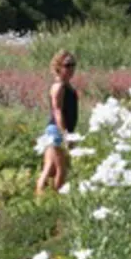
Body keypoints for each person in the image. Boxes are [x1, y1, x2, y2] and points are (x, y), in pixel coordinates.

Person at [36, 49, 78, 194]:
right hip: (57, 130)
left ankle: (42, 198)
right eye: (67, 65)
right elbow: (57, 110)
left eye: (73, 65)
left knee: (51, 168)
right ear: (58, 66)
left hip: (60, 130)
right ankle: (54, 199)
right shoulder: (59, 86)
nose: (71, 68)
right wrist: (65, 134)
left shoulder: (67, 86)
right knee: (61, 169)